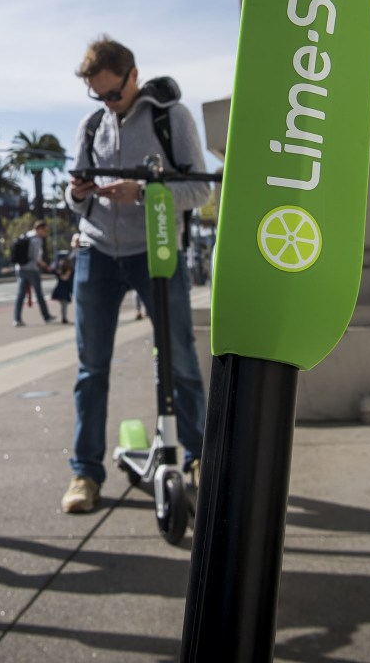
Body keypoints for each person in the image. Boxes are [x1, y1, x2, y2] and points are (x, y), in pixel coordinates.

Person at [60, 37, 212, 515]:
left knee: (181, 360)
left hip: (158, 250)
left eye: (113, 94)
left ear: (133, 76)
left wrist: (144, 194)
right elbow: (76, 202)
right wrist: (78, 192)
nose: (106, 103)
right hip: (97, 252)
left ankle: (199, 458)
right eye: (97, 96)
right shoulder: (90, 126)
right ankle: (85, 473)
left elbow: (199, 190)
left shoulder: (172, 117)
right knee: (91, 370)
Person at [12, 220, 56, 326]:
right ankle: (46, 316)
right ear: (39, 229)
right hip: (32, 269)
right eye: (44, 230)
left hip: (20, 268)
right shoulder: (36, 240)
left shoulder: (25, 235)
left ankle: (16, 319)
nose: (45, 233)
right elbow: (37, 258)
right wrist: (46, 266)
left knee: (20, 295)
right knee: (39, 294)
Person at [51, 251, 74, 323]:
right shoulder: (64, 272)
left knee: (64, 305)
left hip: (62, 291)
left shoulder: (62, 271)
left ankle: (64, 317)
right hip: (63, 292)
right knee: (64, 305)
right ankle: (64, 318)